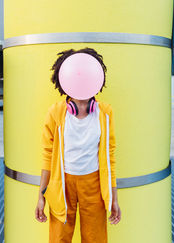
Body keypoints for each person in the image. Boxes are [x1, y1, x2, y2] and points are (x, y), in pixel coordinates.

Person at [34, 48, 121, 243]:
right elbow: (47, 155)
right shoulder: (55, 113)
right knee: (59, 238)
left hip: (94, 185)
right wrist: (41, 196)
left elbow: (110, 156)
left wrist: (114, 197)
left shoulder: (105, 113)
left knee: (95, 238)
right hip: (62, 183)